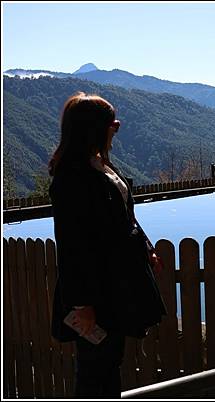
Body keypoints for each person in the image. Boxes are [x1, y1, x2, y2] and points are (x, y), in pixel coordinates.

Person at [48, 92, 166, 398]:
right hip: (95, 294)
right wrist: (81, 304)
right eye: (112, 124)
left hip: (115, 289)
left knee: (110, 362)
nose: (116, 128)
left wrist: (147, 247)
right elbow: (71, 245)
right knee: (93, 370)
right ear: (93, 128)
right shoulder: (71, 177)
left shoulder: (100, 165)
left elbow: (126, 217)